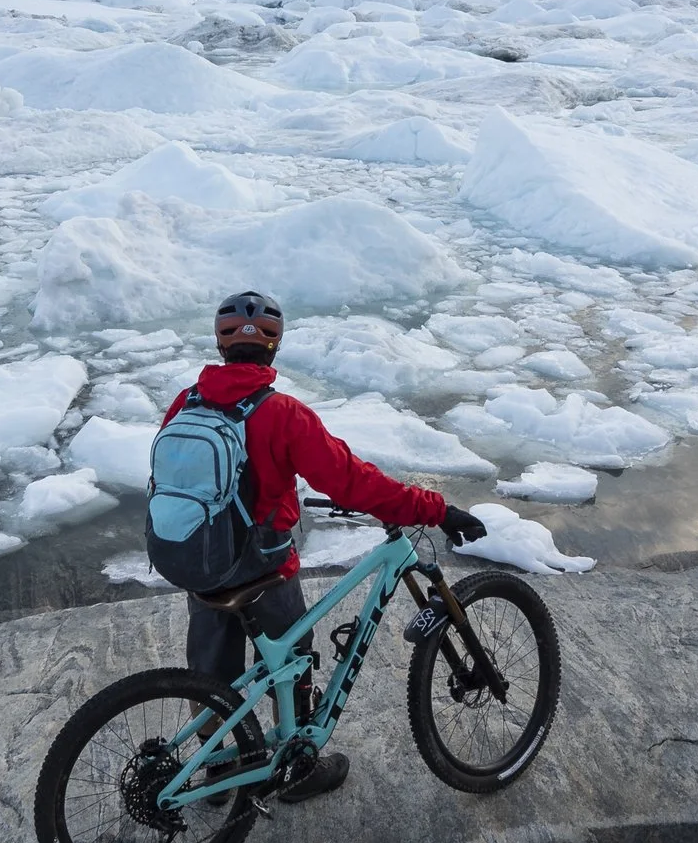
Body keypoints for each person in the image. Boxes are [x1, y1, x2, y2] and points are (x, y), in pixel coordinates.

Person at [160, 290, 487, 802]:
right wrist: (436, 509)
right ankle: (297, 771)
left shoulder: (186, 402)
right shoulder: (283, 413)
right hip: (263, 566)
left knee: (212, 670)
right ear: (275, 346)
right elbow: (353, 482)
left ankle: (219, 774)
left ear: (221, 346)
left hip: (198, 556)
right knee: (293, 658)